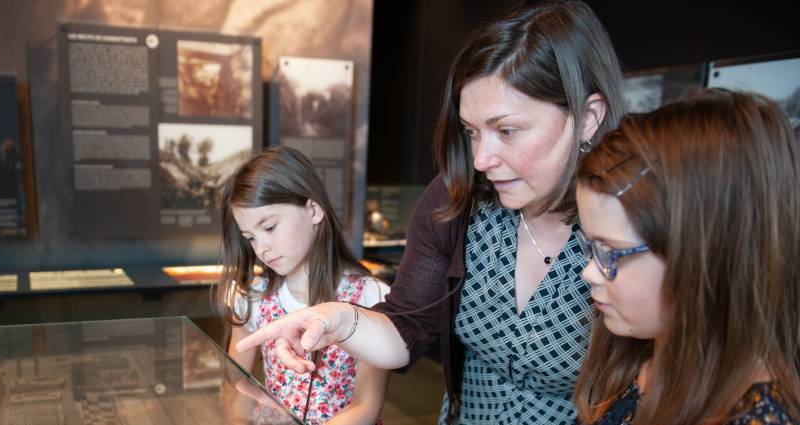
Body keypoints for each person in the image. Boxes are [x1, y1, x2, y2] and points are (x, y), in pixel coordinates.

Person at [234, 1, 628, 423]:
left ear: (588, 118)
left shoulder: (635, 217)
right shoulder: (456, 199)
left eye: (508, 131)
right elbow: (408, 326)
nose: (481, 159)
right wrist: (339, 318)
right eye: (472, 133)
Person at [572, 89, 800, 424]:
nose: (589, 272)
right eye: (590, 246)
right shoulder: (635, 355)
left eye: (611, 251)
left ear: (706, 256)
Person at [214, 146, 391, 424]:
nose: (262, 248)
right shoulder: (254, 297)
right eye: (250, 237)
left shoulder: (370, 296)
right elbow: (234, 386)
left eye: (270, 227)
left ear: (313, 210)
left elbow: (366, 404)